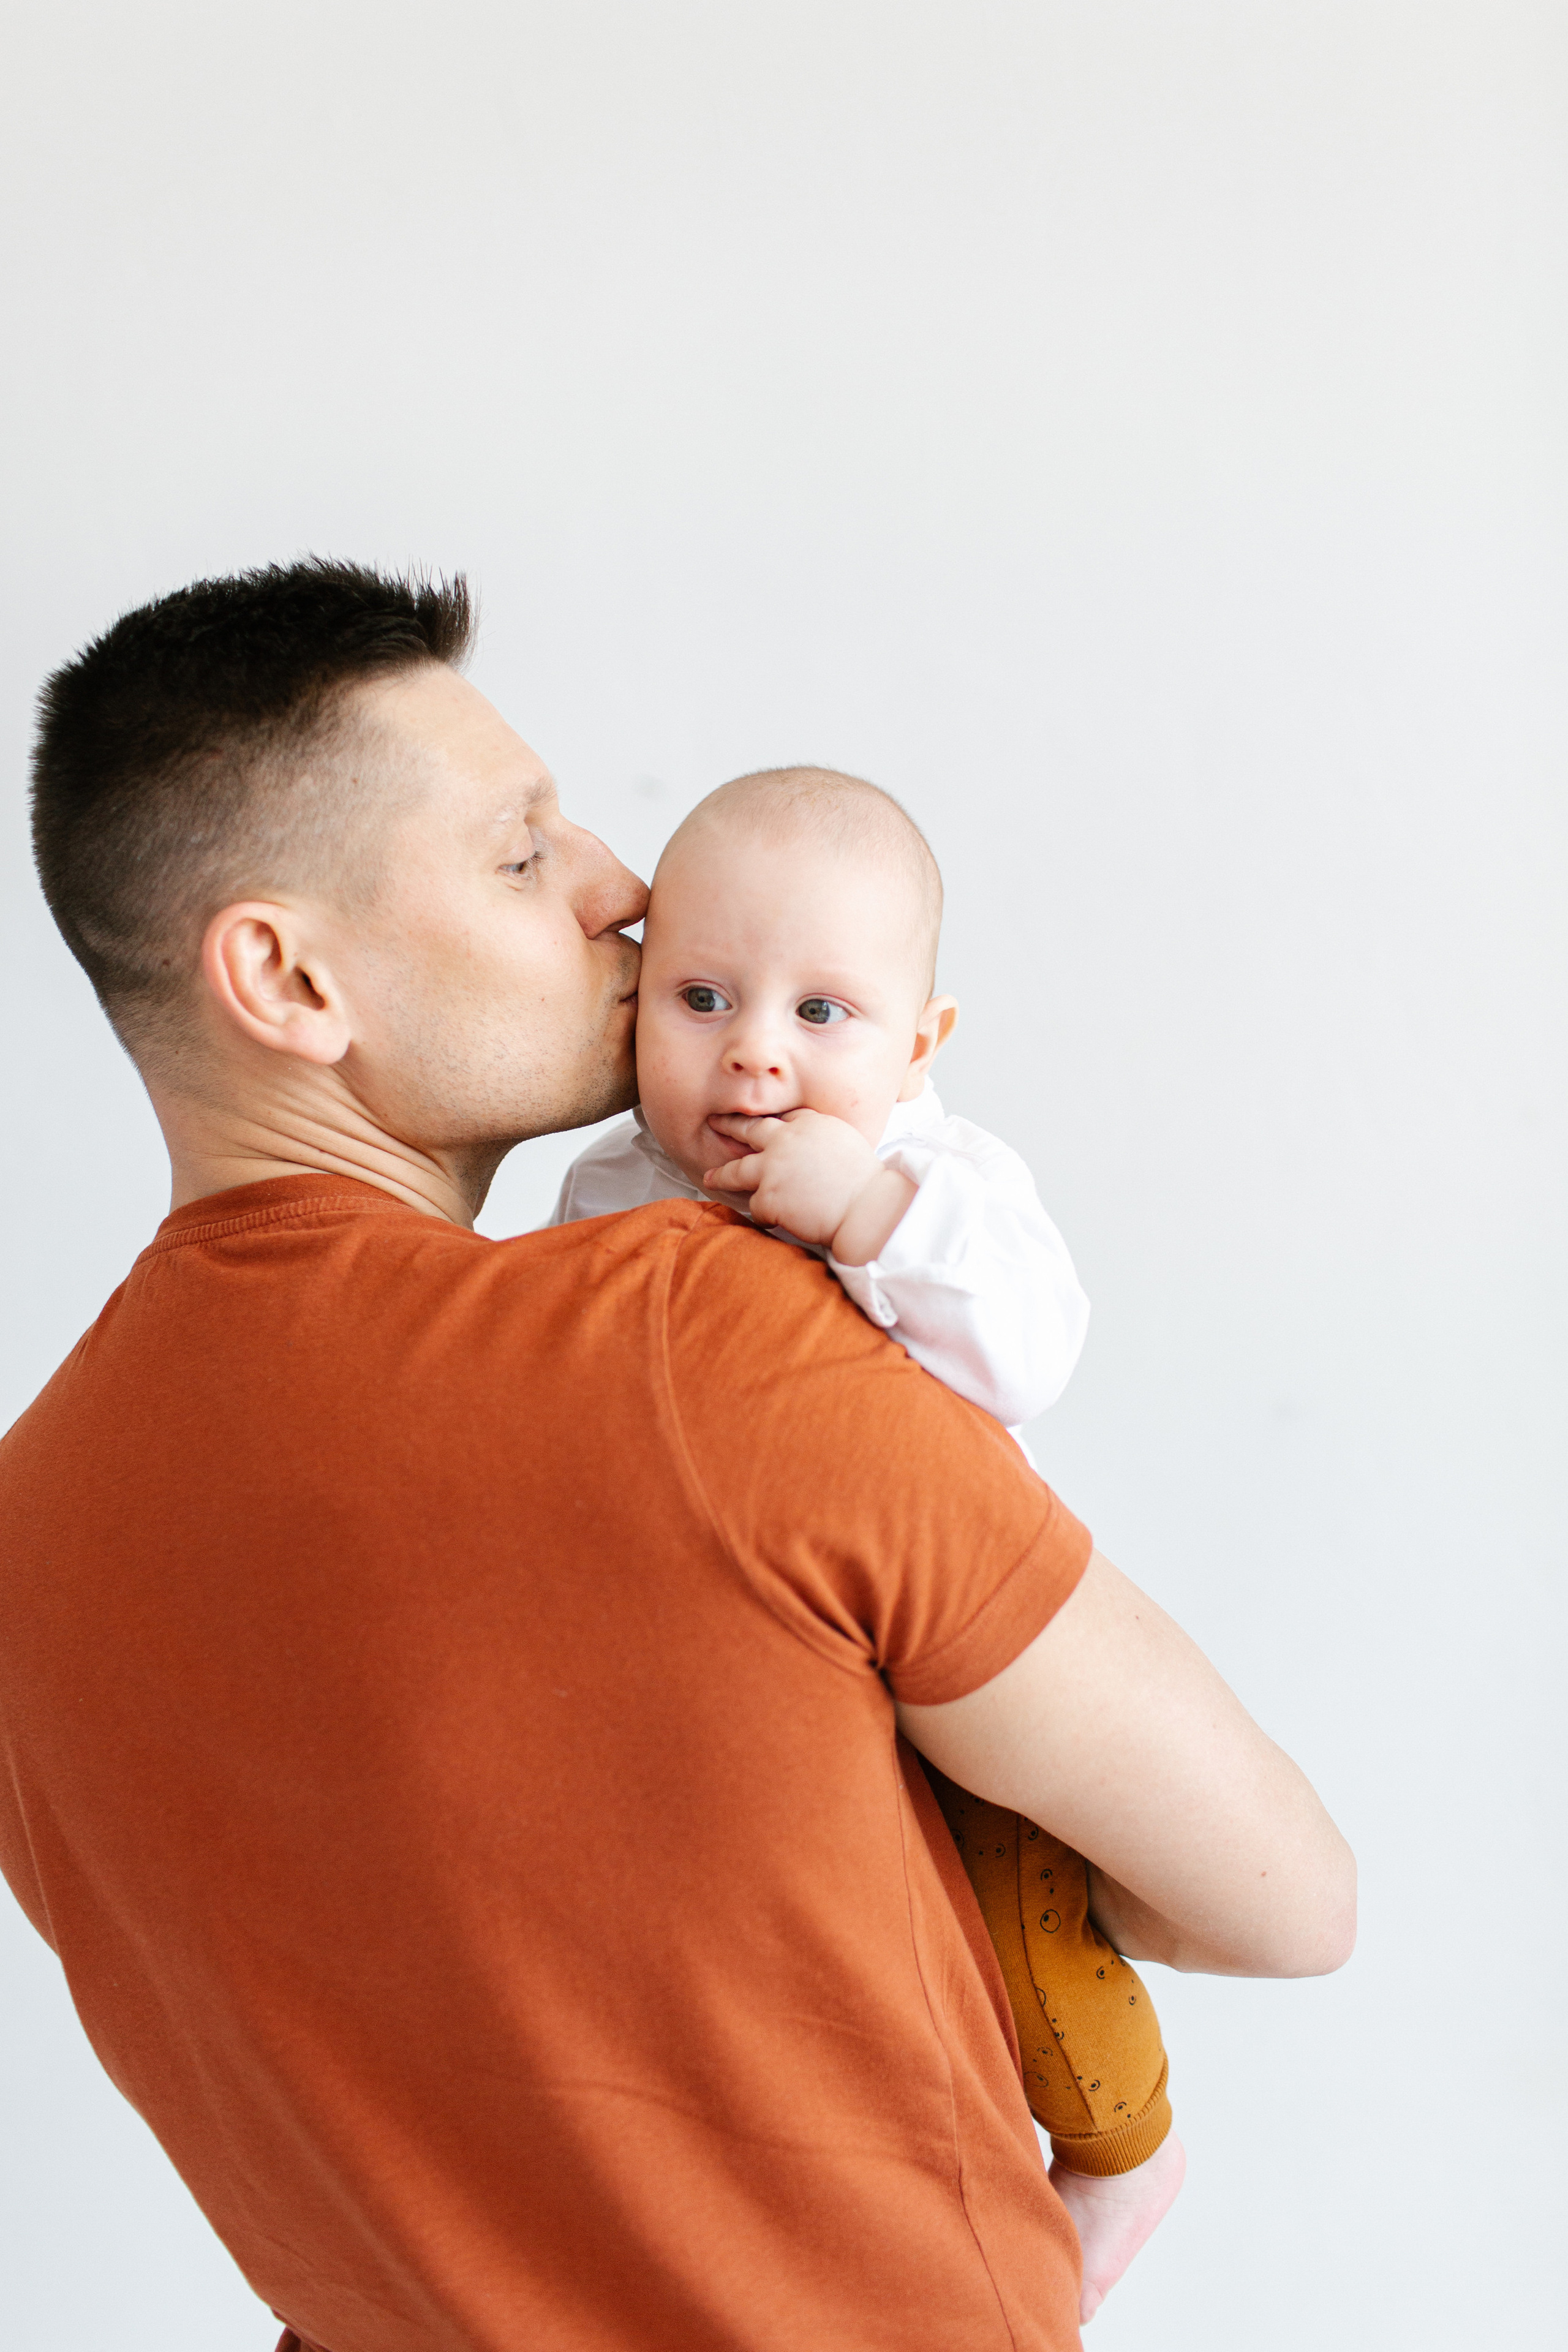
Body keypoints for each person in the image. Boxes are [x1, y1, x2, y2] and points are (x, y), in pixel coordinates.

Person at [0, 560, 1355, 2352]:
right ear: (286, 975)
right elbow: (1284, 1898)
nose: (619, 887)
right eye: (520, 853)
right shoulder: (694, 1330)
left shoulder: (25, 1549)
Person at [554, 763, 1185, 2310]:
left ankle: (1122, 2151)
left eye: (821, 1013)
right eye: (701, 998)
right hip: (746, 1682)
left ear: (918, 1044)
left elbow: (1027, 1356)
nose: (754, 1053)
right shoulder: (610, 1189)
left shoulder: (941, 1180)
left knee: (1021, 1929)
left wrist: (865, 1217)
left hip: (956, 1663)